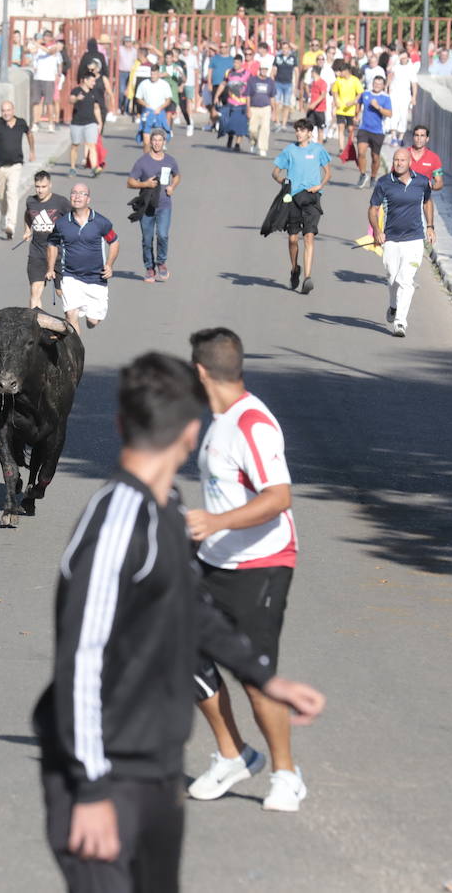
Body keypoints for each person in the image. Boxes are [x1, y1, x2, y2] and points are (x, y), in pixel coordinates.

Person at [33, 351, 325, 893]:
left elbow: (190, 605)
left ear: (121, 424)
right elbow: (80, 663)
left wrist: (264, 676)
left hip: (153, 762)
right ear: (193, 435)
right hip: (105, 769)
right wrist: (93, 792)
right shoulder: (119, 524)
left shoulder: (164, 504)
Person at [184, 327, 308, 812]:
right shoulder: (220, 420)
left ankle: (285, 774)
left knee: (257, 678)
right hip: (213, 560)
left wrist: (216, 521)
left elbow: (278, 498)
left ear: (200, 372)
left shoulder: (252, 424)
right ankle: (235, 755)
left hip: (262, 565)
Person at [368, 147, 436, 337]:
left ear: (410, 162)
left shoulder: (422, 182)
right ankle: (393, 306)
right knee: (392, 277)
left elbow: (427, 202)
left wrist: (430, 226)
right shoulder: (384, 183)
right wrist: (377, 232)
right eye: (396, 160)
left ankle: (400, 323)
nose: (398, 163)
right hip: (391, 239)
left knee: (405, 280)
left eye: (402, 160)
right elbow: (373, 209)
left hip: (414, 239)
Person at [45, 183, 119, 332]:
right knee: (71, 315)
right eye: (74, 193)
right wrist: (51, 268)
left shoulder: (101, 222)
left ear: (88, 199)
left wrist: (110, 265)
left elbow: (114, 242)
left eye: (82, 193)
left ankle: (90, 316)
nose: (77, 196)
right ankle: (76, 354)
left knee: (92, 321)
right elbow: (52, 243)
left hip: (96, 278)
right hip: (71, 276)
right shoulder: (61, 223)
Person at [272, 119, 330, 296]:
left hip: (312, 197)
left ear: (310, 133)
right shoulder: (290, 150)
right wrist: (283, 182)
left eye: (302, 130)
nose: (298, 133)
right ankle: (294, 268)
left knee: (309, 237)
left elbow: (328, 172)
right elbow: (275, 172)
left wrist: (319, 186)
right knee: (292, 240)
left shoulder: (318, 149)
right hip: (293, 198)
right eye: (297, 130)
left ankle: (308, 277)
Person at [127, 128, 181, 285]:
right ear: (150, 142)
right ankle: (149, 268)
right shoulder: (142, 162)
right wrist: (145, 183)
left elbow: (177, 175)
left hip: (164, 205)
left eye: (160, 140)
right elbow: (130, 182)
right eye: (154, 140)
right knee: (147, 239)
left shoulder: (170, 161)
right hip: (147, 206)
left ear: (164, 142)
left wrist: (172, 187)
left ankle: (161, 262)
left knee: (163, 235)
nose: (157, 143)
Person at [0, 99, 36, 239]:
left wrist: (32, 151)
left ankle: (11, 225)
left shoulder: (21, 123)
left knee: (12, 193)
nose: (6, 113)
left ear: (13, 110)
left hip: (15, 165)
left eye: (8, 110)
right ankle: (3, 218)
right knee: (2, 197)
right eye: (3, 111)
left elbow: (29, 134)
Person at [22, 171, 71, 310]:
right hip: (37, 253)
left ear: (50, 185)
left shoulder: (61, 202)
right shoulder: (30, 201)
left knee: (61, 292)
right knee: (35, 292)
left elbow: (74, 218)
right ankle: (36, 327)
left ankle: (72, 322)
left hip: (58, 253)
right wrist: (27, 230)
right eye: (37, 186)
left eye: (43, 186)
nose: (40, 190)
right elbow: (27, 215)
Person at [355, 75, 392, 189]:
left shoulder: (385, 97)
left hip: (378, 131)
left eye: (379, 84)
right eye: (375, 83)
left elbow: (389, 113)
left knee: (375, 157)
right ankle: (362, 174)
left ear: (383, 85)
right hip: (364, 128)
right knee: (361, 152)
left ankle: (373, 177)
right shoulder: (366, 93)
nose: (377, 86)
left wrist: (378, 107)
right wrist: (356, 114)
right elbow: (358, 101)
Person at [67, 73, 103, 177]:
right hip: (77, 123)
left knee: (91, 145)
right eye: (92, 81)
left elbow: (96, 108)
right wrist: (77, 99)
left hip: (90, 123)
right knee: (75, 145)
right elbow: (70, 100)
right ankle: (72, 168)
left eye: (94, 81)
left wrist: (99, 122)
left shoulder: (94, 93)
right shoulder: (76, 90)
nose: (94, 83)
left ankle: (94, 168)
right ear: (85, 80)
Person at [135, 63, 174, 148]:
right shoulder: (144, 84)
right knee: (146, 140)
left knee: (159, 135)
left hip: (159, 111)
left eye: (155, 74)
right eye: (151, 74)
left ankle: (161, 146)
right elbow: (138, 98)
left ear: (158, 73)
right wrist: (146, 105)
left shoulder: (164, 84)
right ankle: (147, 158)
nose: (153, 76)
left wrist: (160, 108)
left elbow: (168, 100)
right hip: (147, 112)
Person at [330, 59, 363, 152]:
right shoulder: (339, 80)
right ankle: (341, 148)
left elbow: (360, 93)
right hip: (340, 108)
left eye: (342, 71)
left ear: (347, 71)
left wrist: (354, 101)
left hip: (351, 109)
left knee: (350, 129)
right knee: (341, 127)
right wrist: (336, 100)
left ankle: (350, 146)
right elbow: (334, 91)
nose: (340, 73)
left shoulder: (355, 80)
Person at [32, 33, 62, 132]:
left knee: (49, 103)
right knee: (37, 102)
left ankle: (50, 123)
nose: (44, 39)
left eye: (46, 37)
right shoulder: (39, 48)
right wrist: (34, 45)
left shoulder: (55, 47)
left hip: (49, 79)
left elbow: (50, 52)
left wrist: (38, 44)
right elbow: (30, 51)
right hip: (38, 78)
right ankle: (35, 123)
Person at [385, 51, 416, 146]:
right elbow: (389, 73)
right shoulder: (396, 66)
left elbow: (414, 83)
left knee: (404, 115)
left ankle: (401, 137)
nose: (403, 59)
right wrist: (387, 88)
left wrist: (414, 96)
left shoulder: (411, 68)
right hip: (394, 93)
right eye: (402, 58)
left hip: (405, 95)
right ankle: (394, 136)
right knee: (393, 114)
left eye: (405, 58)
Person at [246, 62, 276, 157]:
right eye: (262, 69)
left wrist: (274, 111)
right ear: (259, 70)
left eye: (266, 69)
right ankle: (253, 143)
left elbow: (272, 97)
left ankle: (262, 148)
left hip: (266, 108)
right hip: (254, 108)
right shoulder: (252, 80)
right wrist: (248, 109)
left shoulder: (270, 82)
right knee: (252, 130)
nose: (264, 71)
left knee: (265, 129)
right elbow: (248, 96)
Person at [406, 124, 444, 191]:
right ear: (413, 137)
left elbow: (439, 182)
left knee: (429, 201)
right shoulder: (403, 154)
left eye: (422, 136)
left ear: (427, 139)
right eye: (416, 135)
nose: (419, 138)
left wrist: (431, 187)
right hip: (403, 194)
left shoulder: (434, 158)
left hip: (422, 196)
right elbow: (392, 176)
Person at [272, 41, 298, 130]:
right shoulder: (278, 57)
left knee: (286, 104)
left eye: (286, 48)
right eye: (283, 48)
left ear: (289, 49)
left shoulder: (293, 58)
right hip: (278, 83)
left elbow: (296, 71)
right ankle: (277, 121)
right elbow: (274, 69)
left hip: (288, 83)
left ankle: (284, 123)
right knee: (277, 103)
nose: (284, 50)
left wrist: (296, 85)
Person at [117, 37, 138, 116]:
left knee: (129, 91)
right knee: (122, 91)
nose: (128, 43)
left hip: (131, 72)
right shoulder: (121, 49)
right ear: (124, 42)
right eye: (126, 42)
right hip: (122, 72)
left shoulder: (134, 51)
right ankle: (120, 106)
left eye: (129, 42)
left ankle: (125, 109)